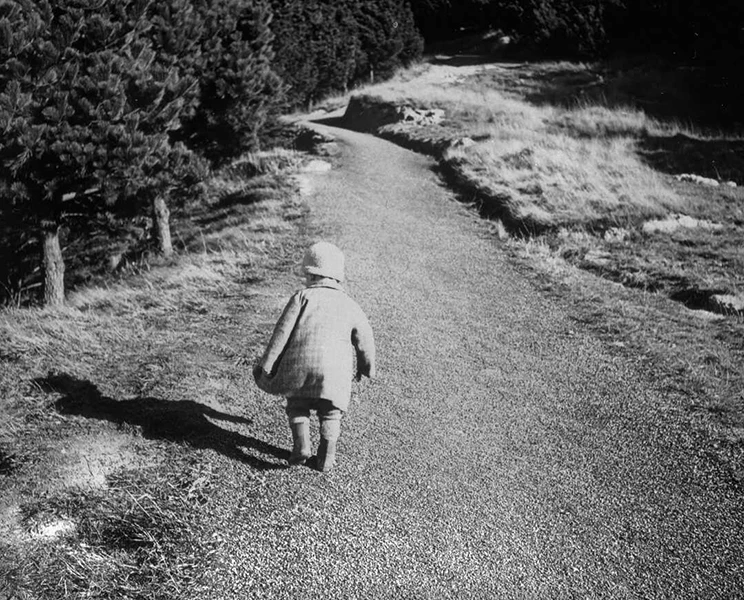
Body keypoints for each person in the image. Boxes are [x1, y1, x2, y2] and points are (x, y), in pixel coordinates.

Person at [253, 241, 376, 472]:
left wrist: (266, 364)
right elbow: (365, 339)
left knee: (297, 404)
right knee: (331, 412)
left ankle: (301, 446)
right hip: (334, 373)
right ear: (338, 277)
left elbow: (281, 332)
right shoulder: (350, 305)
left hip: (299, 367)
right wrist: (366, 367)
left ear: (309, 274)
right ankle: (326, 456)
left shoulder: (301, 297)